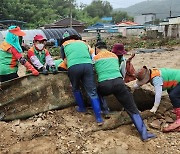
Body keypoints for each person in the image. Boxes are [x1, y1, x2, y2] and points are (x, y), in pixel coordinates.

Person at [93, 41, 156, 141]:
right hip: (119, 83)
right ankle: (144, 134)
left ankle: (105, 111)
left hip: (105, 85)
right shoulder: (114, 56)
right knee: (132, 109)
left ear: (97, 48)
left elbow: (93, 70)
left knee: (96, 93)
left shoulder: (95, 58)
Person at [60, 31, 103, 125]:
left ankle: (82, 108)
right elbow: (93, 55)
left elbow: (64, 60)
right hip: (88, 65)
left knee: (75, 88)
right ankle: (99, 118)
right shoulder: (83, 43)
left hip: (73, 66)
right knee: (92, 92)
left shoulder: (64, 45)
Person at [134, 66, 180, 132]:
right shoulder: (152, 72)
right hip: (175, 82)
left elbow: (158, 94)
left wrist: (155, 107)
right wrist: (133, 88)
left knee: (174, 95)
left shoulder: (156, 79)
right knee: (172, 92)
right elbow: (138, 85)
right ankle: (177, 108)